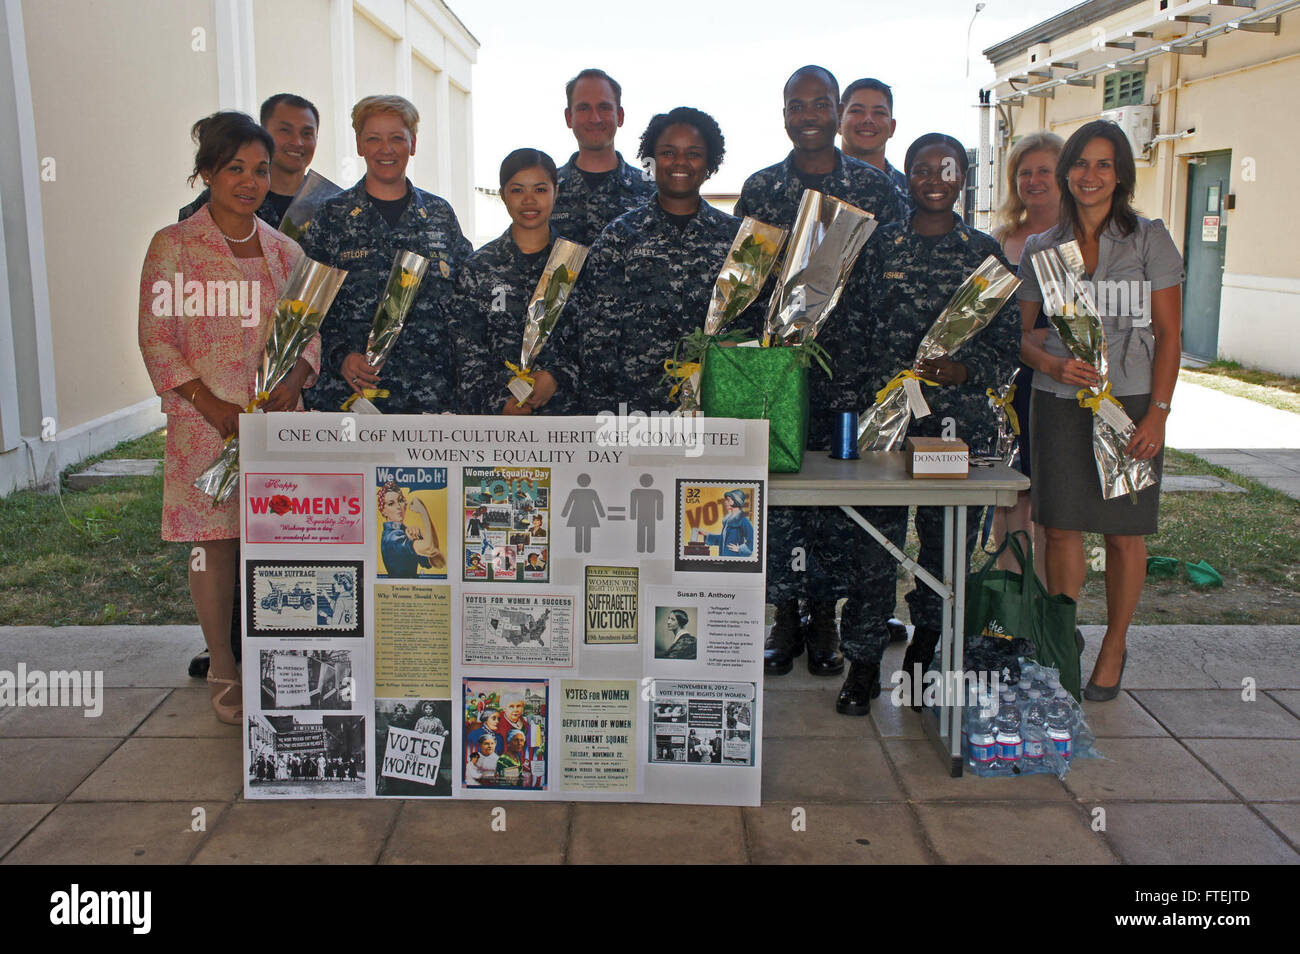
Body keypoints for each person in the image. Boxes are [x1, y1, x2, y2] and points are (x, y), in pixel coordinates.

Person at [139, 111, 319, 725]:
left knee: (281, 543)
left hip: (277, 426)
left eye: (260, 170)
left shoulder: (285, 250)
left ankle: (282, 660)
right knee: (214, 549)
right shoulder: (175, 244)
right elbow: (157, 338)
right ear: (208, 172)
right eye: (235, 168)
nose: (250, 181)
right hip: (205, 427)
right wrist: (215, 408)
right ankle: (224, 664)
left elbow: (309, 337)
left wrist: (292, 385)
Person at [834, 133, 1020, 715]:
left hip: (955, 432)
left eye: (947, 167)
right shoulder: (882, 247)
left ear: (962, 175)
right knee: (874, 551)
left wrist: (967, 366)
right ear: (906, 177)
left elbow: (1010, 343)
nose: (934, 178)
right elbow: (852, 330)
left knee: (946, 553)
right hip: (885, 427)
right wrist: (860, 404)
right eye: (921, 169)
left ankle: (924, 656)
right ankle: (862, 665)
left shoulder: (984, 253)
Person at [737, 65, 908, 680]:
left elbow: (895, 277)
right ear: (783, 113)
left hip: (853, 368)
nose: (808, 114)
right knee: (781, 499)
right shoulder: (760, 189)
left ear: (836, 113)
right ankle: (784, 618)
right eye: (796, 104)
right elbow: (746, 285)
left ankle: (828, 621)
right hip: (780, 373)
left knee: (839, 503)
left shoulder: (876, 189)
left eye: (820, 104)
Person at [1016, 119, 1184, 701]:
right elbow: (1022, 337)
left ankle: (1114, 644)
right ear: (1067, 173)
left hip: (1130, 402)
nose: (1090, 175)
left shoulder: (1148, 239)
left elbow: (1169, 333)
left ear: (1121, 175)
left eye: (1104, 164)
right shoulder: (1042, 248)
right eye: (1081, 164)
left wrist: (1157, 414)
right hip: (1059, 401)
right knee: (1059, 528)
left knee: (1122, 533)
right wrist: (1052, 365)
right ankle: (1064, 638)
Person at [560, 106, 740, 415]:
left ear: (710, 163)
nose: (680, 162)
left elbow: (748, 331)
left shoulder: (736, 239)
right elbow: (595, 338)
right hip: (634, 416)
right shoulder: (621, 235)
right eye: (668, 152)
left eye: (693, 153)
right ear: (651, 161)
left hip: (716, 409)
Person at [301, 94, 472, 413]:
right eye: (374, 139)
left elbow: (466, 297)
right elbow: (308, 306)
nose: (386, 149)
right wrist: (341, 355)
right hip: (353, 399)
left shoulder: (439, 214)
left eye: (397, 138)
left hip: (429, 397)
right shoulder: (332, 216)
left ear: (413, 143)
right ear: (359, 145)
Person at [449, 148, 576, 415]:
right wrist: (499, 404)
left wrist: (558, 377)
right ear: (503, 196)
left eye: (540, 190)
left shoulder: (576, 264)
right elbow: (466, 352)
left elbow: (592, 341)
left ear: (556, 192)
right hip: (498, 424)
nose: (529, 201)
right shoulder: (478, 267)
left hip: (567, 421)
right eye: (518, 190)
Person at [989, 132, 1064, 580]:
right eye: (1024, 172)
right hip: (1007, 386)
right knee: (1008, 493)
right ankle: (1009, 599)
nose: (1033, 181)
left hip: (1062, 385)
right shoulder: (999, 240)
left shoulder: (1083, 239)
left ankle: (1047, 604)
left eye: (1044, 171)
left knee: (1053, 502)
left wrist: (1036, 343)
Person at [550, 69, 655, 246]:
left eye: (604, 108)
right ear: (569, 117)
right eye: (584, 108)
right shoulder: (545, 191)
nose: (595, 118)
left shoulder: (652, 193)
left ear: (620, 116)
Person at [179, 93, 320, 226]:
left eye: (307, 133)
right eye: (285, 130)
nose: (297, 142)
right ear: (263, 133)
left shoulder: (332, 205)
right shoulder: (222, 201)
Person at [838, 77, 908, 195]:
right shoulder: (812, 183)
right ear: (839, 122)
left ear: (892, 127)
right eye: (857, 111)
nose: (868, 119)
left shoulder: (911, 193)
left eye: (879, 113)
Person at [377, 481, 444, 577]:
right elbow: (429, 548)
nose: (398, 507)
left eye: (400, 501)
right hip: (399, 588)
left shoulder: (404, 533)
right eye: (391, 504)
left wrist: (419, 538)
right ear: (383, 511)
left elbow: (438, 562)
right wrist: (423, 511)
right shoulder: (392, 537)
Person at [701, 489, 754, 557]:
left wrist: (740, 549)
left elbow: (753, 540)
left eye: (728, 500)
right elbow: (723, 539)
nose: (725, 502)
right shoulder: (728, 521)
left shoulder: (743, 520)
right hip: (723, 558)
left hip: (735, 560)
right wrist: (707, 535)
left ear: (736, 501)